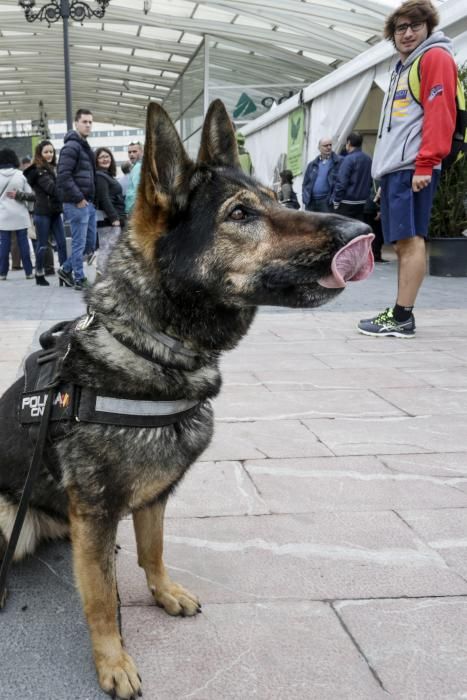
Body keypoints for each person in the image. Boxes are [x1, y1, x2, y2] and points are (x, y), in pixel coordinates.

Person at [358, 0, 457, 338]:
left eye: (415, 25)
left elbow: (440, 113)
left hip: (414, 166)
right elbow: (397, 128)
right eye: (401, 28)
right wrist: (384, 176)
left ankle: (402, 316)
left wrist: (426, 164)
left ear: (428, 27)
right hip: (398, 170)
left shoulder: (434, 58)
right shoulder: (403, 67)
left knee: (410, 240)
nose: (408, 33)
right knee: (401, 242)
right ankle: (399, 312)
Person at [56, 108, 97, 290]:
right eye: (84, 122)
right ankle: (79, 278)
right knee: (80, 243)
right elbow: (63, 175)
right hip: (76, 203)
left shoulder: (84, 146)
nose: (88, 125)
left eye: (90, 122)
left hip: (88, 203)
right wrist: (79, 198)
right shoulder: (71, 146)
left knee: (90, 243)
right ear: (76, 123)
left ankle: (65, 269)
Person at [18, 140, 68, 286]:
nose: (49, 154)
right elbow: (52, 189)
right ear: (40, 154)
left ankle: (64, 273)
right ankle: (39, 273)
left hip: (55, 212)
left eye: (51, 152)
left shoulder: (53, 168)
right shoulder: (39, 171)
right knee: (42, 245)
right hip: (43, 213)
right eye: (46, 152)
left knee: (62, 244)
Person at [0, 148, 34, 280]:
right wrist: (30, 210)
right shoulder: (20, 175)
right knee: (23, 242)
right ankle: (29, 272)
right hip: (20, 214)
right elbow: (30, 195)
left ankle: (2, 273)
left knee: (4, 244)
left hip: (3, 216)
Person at [95, 147, 125, 277]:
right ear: (96, 160)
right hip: (107, 217)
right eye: (101, 157)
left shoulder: (107, 175)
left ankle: (103, 274)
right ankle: (101, 274)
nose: (105, 159)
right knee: (107, 247)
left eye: (107, 156)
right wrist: (114, 218)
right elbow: (104, 198)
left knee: (110, 246)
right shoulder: (100, 176)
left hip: (112, 216)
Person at [332, 132, 372, 221]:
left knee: (344, 229)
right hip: (362, 202)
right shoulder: (368, 159)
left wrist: (336, 200)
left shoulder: (348, 159)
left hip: (346, 202)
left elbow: (342, 182)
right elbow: (370, 181)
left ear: (348, 143)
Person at [302, 138, 341, 212]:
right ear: (319, 148)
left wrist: (334, 199)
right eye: (325, 145)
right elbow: (305, 183)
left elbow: (340, 182)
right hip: (311, 202)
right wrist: (305, 198)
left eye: (330, 145)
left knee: (327, 223)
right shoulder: (312, 164)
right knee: (310, 223)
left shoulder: (337, 162)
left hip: (326, 202)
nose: (329, 147)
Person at [125, 141, 143, 217]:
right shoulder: (138, 166)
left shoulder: (138, 167)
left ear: (142, 152)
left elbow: (138, 190)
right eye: (129, 152)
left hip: (135, 210)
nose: (131, 154)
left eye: (134, 151)